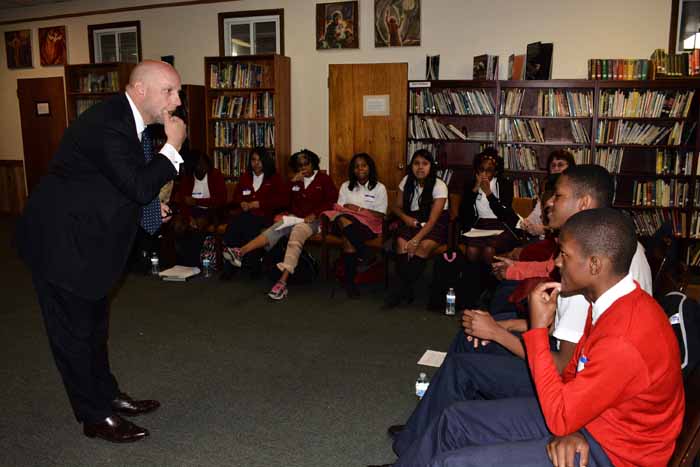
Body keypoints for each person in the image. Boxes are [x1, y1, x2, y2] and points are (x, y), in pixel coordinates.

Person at [383, 165, 653, 461]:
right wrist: (522, 324)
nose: (549, 202)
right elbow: (579, 366)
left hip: (589, 423)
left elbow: (564, 376)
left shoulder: (597, 289)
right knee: (457, 409)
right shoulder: (603, 267)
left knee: (458, 441)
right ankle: (419, 441)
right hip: (581, 405)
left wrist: (513, 331)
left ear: (584, 203)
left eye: (558, 196)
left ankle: (428, 440)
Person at [15, 60, 187, 442]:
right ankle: (94, 417)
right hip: (60, 244)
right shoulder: (108, 122)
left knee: (94, 329)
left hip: (89, 238)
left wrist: (147, 211)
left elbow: (120, 184)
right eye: (169, 91)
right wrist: (173, 147)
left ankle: (106, 395)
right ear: (140, 90)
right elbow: (139, 184)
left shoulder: (134, 124)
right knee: (74, 334)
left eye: (177, 92)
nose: (176, 100)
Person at [226, 149, 337, 301]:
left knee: (297, 232)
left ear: (313, 163)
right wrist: (291, 183)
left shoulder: (323, 179)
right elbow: (284, 199)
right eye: (299, 165)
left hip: (315, 221)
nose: (303, 167)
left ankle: (282, 283)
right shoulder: (296, 180)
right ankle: (241, 252)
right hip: (296, 218)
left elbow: (332, 201)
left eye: (306, 163)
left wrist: (316, 213)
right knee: (277, 227)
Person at [384, 149, 449, 309]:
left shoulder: (440, 185)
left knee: (423, 246)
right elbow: (396, 207)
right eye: (416, 163)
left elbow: (433, 220)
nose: (420, 168)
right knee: (400, 243)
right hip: (411, 220)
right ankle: (407, 287)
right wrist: (405, 218)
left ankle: (400, 290)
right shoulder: (406, 180)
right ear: (411, 166)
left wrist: (416, 239)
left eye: (425, 164)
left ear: (430, 166)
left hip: (434, 223)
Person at [322, 153, 388, 298]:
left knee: (348, 239)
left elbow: (380, 215)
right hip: (344, 222)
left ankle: (350, 283)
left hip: (368, 226)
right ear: (352, 170)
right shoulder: (346, 186)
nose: (360, 169)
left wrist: (357, 210)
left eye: (363, 165)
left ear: (369, 167)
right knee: (342, 218)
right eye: (356, 167)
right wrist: (350, 211)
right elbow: (339, 208)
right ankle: (364, 253)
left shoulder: (379, 188)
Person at [221, 147, 287, 276]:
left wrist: (260, 204)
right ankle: (243, 264)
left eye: (259, 160)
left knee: (243, 224)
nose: (256, 164)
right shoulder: (246, 177)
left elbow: (282, 200)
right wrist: (242, 203)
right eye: (253, 160)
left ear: (266, 161)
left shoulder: (274, 177)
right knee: (238, 225)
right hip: (247, 215)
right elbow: (236, 196)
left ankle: (239, 264)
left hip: (265, 215)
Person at [459, 148, 520, 264]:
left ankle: (490, 281)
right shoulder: (470, 184)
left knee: (489, 251)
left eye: (489, 170)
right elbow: (463, 213)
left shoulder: (504, 185)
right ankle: (474, 280)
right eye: (481, 170)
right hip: (479, 225)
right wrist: (475, 190)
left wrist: (489, 193)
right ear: (477, 170)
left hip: (500, 225)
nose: (484, 174)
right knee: (472, 250)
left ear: (495, 172)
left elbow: (503, 214)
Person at [171, 150, 227, 266]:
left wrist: (197, 201)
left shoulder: (215, 175)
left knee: (198, 225)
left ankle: (193, 263)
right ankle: (180, 261)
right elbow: (183, 201)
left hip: (211, 211)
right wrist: (189, 217)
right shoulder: (188, 178)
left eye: (204, 164)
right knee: (179, 225)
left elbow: (220, 200)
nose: (202, 167)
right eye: (199, 164)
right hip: (191, 211)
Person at [521, 149, 577, 237]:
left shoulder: (576, 190)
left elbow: (570, 225)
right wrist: (528, 222)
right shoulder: (546, 188)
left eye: (560, 165)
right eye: (553, 165)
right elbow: (537, 213)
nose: (556, 169)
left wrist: (544, 230)